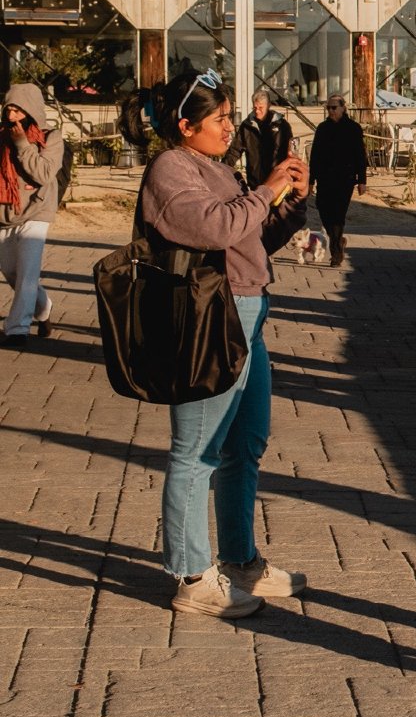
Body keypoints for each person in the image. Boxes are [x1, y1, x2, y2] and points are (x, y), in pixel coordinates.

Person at [140, 69, 309, 617]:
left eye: (231, 116)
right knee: (197, 450)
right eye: (218, 119)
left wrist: (288, 200)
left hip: (247, 312)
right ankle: (192, 575)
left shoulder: (214, 168)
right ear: (185, 125)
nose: (228, 127)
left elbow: (251, 238)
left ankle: (239, 561)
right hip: (207, 318)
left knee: (246, 442)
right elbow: (213, 228)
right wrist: (262, 190)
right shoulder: (170, 168)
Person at [0, 83, 65, 344]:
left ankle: (17, 329)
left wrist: (22, 145)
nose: (13, 116)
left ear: (32, 111)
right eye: (9, 110)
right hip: (5, 214)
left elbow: (44, 174)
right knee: (13, 274)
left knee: (28, 272)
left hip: (37, 210)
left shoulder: (51, 137)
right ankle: (44, 307)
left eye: (19, 110)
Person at [308, 94, 368, 265]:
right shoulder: (322, 128)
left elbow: (360, 156)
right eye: (329, 108)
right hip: (325, 178)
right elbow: (315, 156)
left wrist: (362, 180)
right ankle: (338, 241)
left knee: (338, 215)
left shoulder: (353, 128)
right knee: (323, 209)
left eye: (334, 107)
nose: (331, 111)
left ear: (343, 108)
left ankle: (336, 252)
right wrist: (311, 180)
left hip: (345, 178)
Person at [231, 87, 293, 187]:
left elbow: (291, 153)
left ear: (268, 106)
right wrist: (222, 169)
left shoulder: (282, 125)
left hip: (277, 180)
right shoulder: (247, 126)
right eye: (255, 108)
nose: (257, 111)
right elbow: (234, 151)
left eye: (260, 108)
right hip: (255, 182)